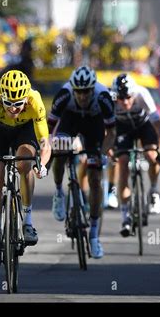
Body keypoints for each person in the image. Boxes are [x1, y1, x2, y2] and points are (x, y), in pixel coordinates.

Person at [0, 70, 51, 269]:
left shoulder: (34, 100)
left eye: (18, 104)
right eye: (8, 103)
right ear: (1, 98)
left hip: (25, 131)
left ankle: (28, 222)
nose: (13, 108)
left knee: (25, 163)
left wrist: (43, 165)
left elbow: (45, 143)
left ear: (26, 99)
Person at [48, 66, 116, 259]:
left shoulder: (103, 97)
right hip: (70, 121)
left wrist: (101, 154)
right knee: (60, 151)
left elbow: (111, 133)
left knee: (95, 178)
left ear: (93, 89)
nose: (83, 96)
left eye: (87, 91)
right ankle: (59, 192)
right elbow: (48, 128)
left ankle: (94, 236)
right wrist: (49, 148)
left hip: (94, 125)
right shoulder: (64, 94)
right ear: (73, 89)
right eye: (79, 91)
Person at [111, 73, 160, 236]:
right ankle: (125, 215)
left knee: (151, 156)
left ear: (134, 94)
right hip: (122, 129)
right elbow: (104, 129)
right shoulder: (110, 100)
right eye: (120, 98)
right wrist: (107, 148)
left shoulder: (143, 94)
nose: (125, 101)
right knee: (122, 162)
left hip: (143, 126)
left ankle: (154, 191)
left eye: (128, 97)